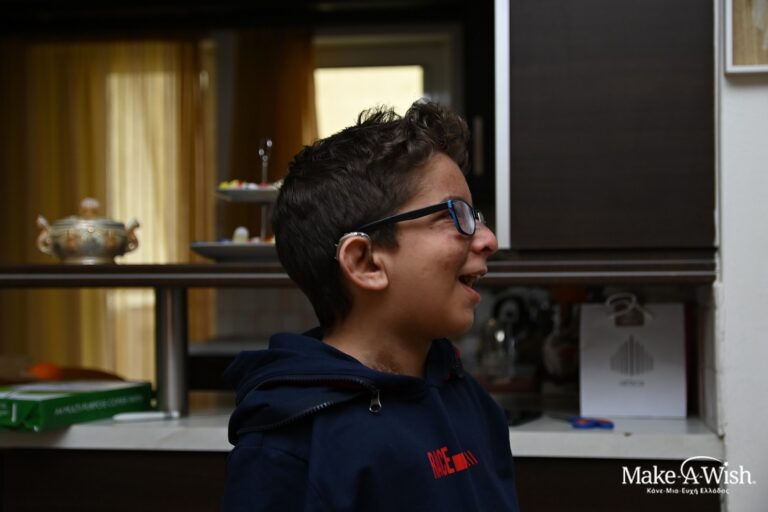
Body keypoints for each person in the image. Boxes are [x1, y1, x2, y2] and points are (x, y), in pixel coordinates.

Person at [222, 100, 520, 511]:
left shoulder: (472, 403)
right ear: (365, 262)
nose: (488, 240)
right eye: (456, 215)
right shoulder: (288, 447)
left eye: (477, 216)